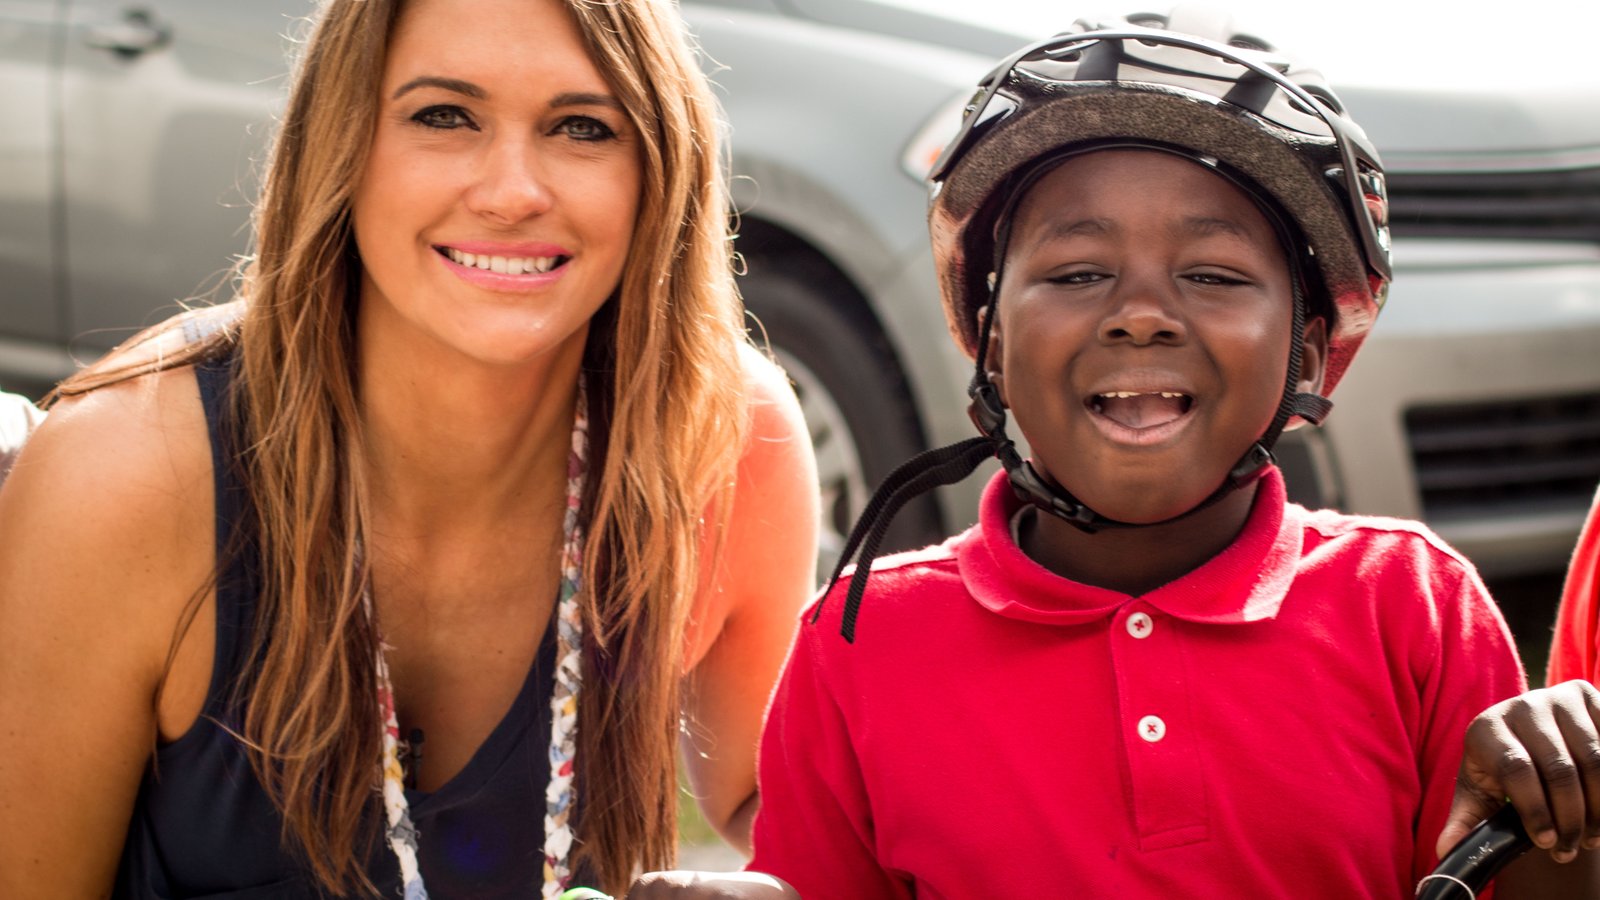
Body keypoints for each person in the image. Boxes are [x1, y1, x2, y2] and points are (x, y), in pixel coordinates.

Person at [738, 8, 1578, 898]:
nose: (1140, 313)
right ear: (990, 344)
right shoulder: (859, 643)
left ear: (1302, 351)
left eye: (1211, 275)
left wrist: (1570, 821)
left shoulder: (1412, 606)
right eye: (1077, 273)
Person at [0, 0, 819, 898]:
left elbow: (782, 820)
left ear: (661, 168)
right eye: (444, 116)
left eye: (583, 127)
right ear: (341, 145)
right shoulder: (125, 473)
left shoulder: (724, 442)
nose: (513, 191)